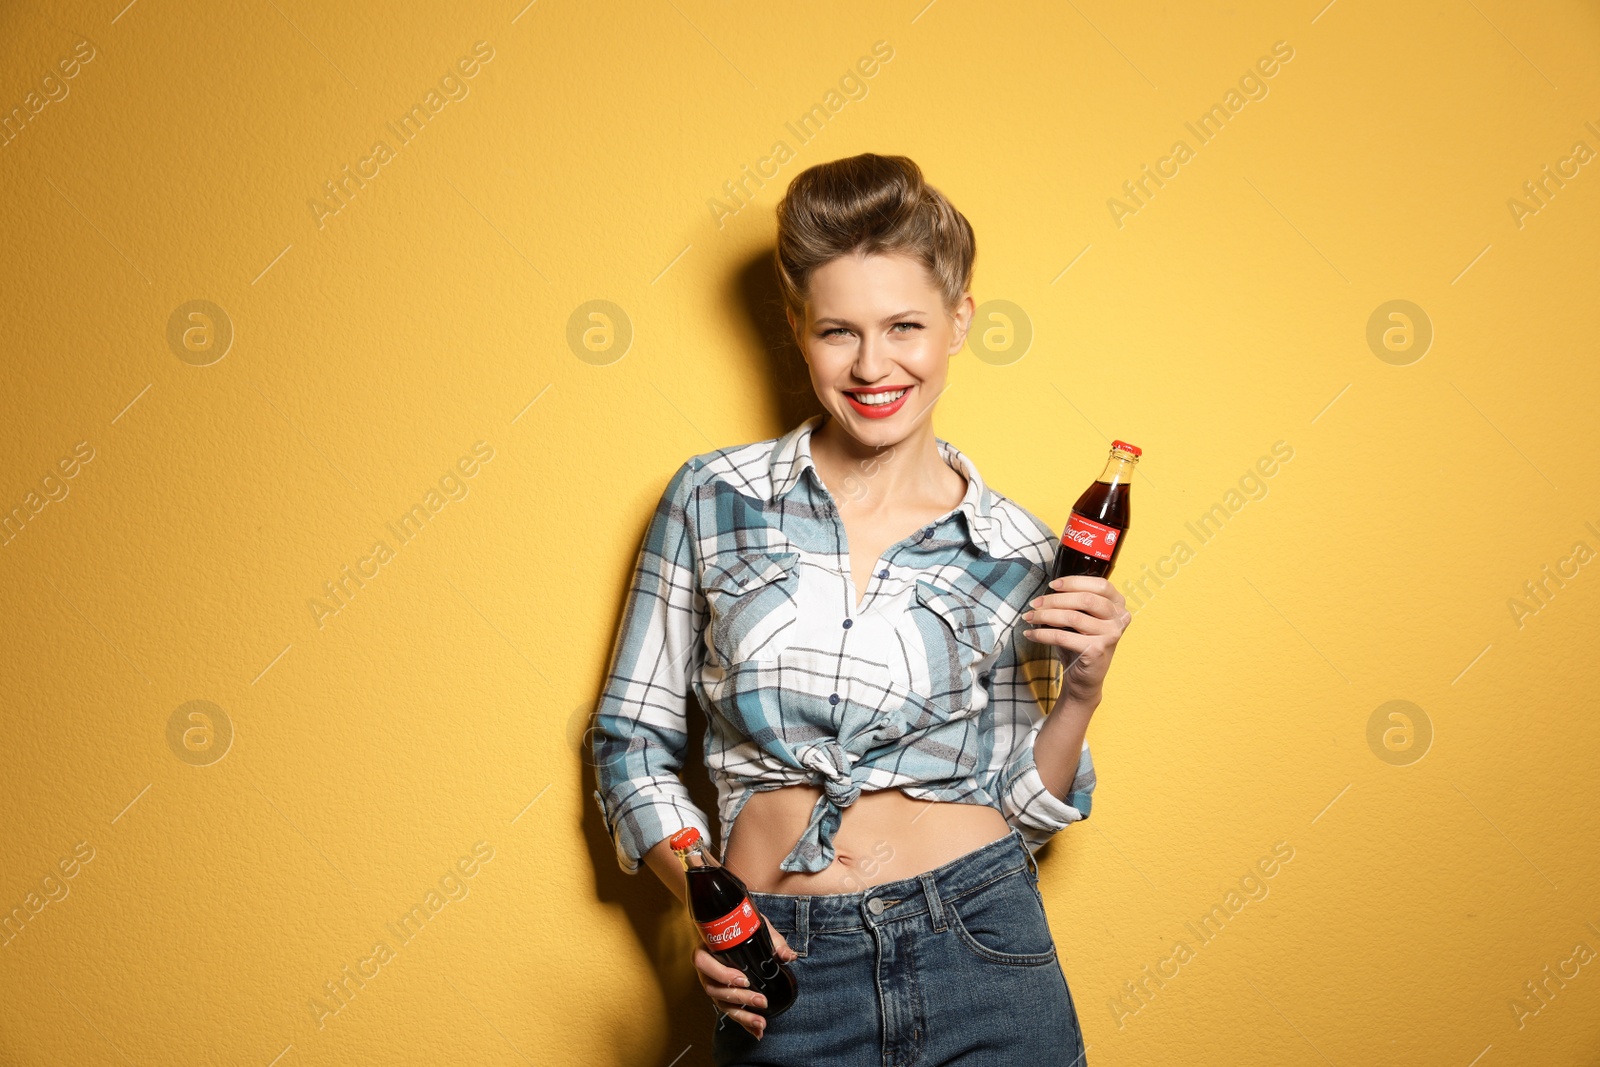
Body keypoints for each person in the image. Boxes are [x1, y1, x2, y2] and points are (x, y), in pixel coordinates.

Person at [591, 152, 1132, 1066]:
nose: (873, 364)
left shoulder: (1021, 549)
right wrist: (706, 899)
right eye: (839, 330)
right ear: (797, 328)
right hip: (784, 967)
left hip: (982, 943)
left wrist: (1083, 691)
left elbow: (1027, 811)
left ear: (959, 323)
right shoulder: (710, 497)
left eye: (905, 326)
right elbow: (629, 741)